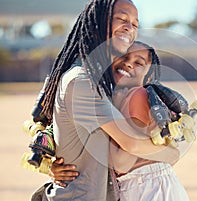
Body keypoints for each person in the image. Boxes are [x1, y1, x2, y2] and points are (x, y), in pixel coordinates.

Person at [31, 0, 179, 200]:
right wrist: (171, 152)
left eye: (135, 24)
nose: (130, 27)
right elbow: (131, 145)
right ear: (96, 23)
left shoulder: (102, 82)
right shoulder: (81, 81)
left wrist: (50, 165)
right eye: (121, 19)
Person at [51, 41, 191, 201]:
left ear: (149, 74)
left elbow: (121, 162)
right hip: (141, 187)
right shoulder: (106, 99)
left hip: (148, 188)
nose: (129, 64)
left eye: (138, 62)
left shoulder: (137, 96)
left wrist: (171, 153)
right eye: (122, 56)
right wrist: (53, 166)